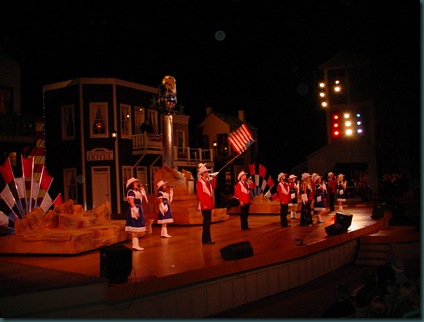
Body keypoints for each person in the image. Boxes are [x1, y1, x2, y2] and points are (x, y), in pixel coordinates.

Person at [125, 177, 148, 251]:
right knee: (134, 228)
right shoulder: (131, 192)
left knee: (136, 228)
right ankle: (135, 245)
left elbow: (142, 200)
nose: (137, 184)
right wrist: (135, 210)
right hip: (134, 210)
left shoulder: (137, 192)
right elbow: (131, 202)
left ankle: (136, 244)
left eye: (137, 183)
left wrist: (142, 190)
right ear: (131, 184)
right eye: (135, 183)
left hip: (139, 209)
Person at [196, 164, 217, 245]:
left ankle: (205, 240)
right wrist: (204, 204)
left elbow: (213, 186)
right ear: (203, 174)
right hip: (205, 205)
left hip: (209, 204)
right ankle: (207, 240)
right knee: (206, 223)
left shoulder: (207, 182)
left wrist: (214, 179)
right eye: (206, 172)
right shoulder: (200, 183)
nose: (208, 173)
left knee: (207, 223)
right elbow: (200, 195)